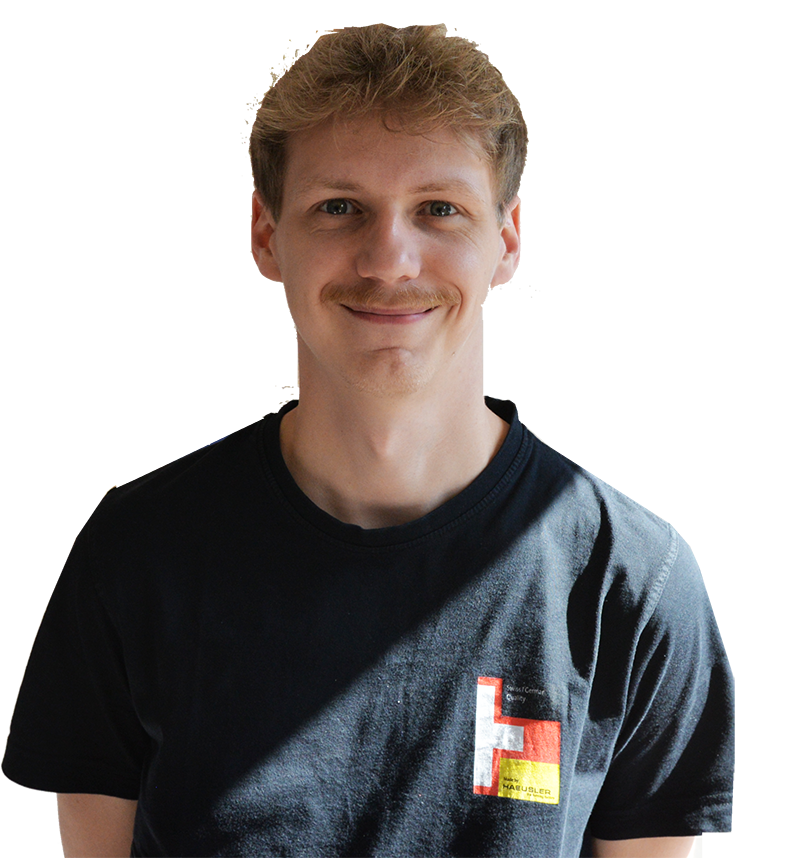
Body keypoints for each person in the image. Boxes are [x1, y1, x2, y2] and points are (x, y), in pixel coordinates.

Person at [2, 24, 734, 858]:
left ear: (506, 242)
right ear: (266, 237)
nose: (389, 260)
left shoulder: (628, 582)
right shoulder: (136, 556)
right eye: (339, 207)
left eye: (439, 209)